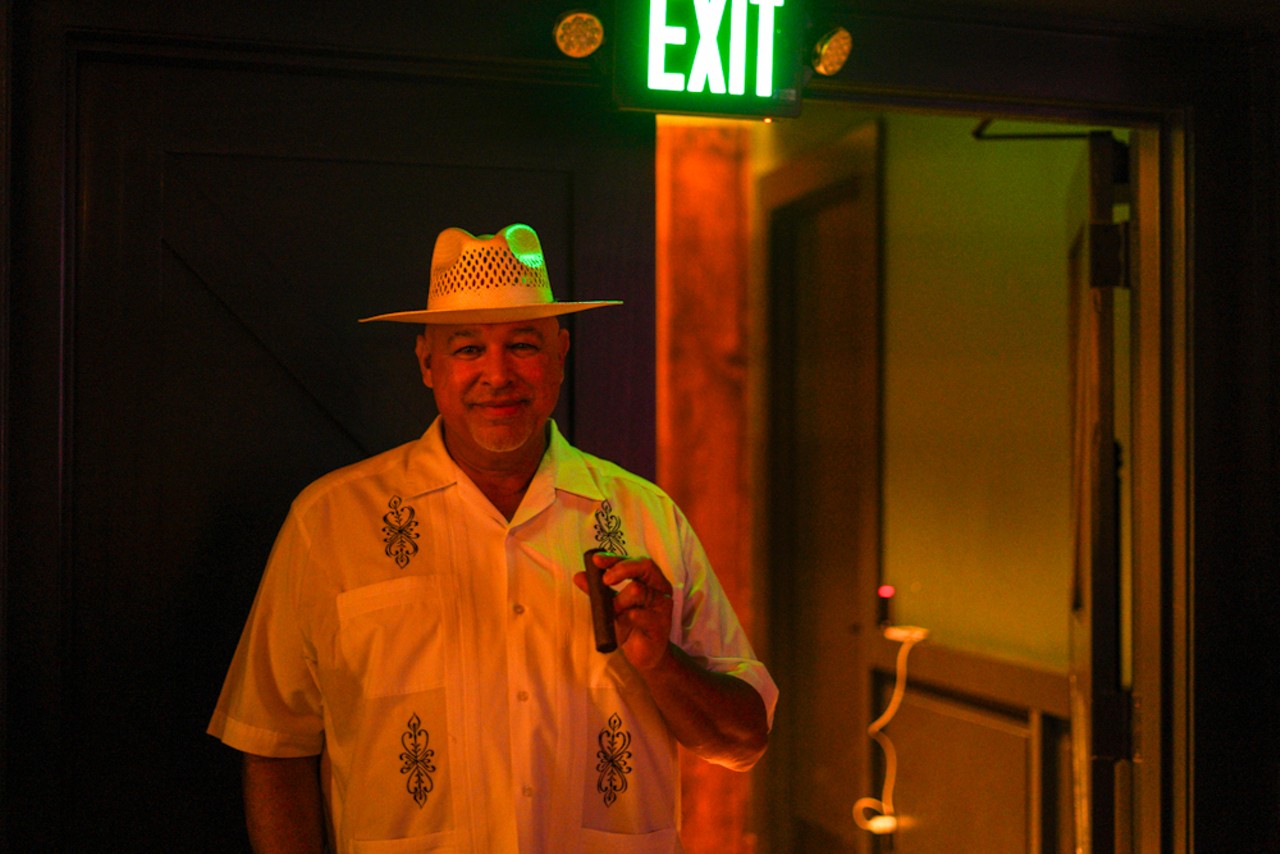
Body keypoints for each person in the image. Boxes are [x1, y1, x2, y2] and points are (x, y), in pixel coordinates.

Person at [208, 223, 777, 852]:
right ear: (428, 362)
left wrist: (661, 665)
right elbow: (272, 745)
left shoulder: (647, 517)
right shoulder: (329, 522)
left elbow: (745, 742)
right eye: (468, 349)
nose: (498, 374)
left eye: (523, 345)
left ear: (561, 354)